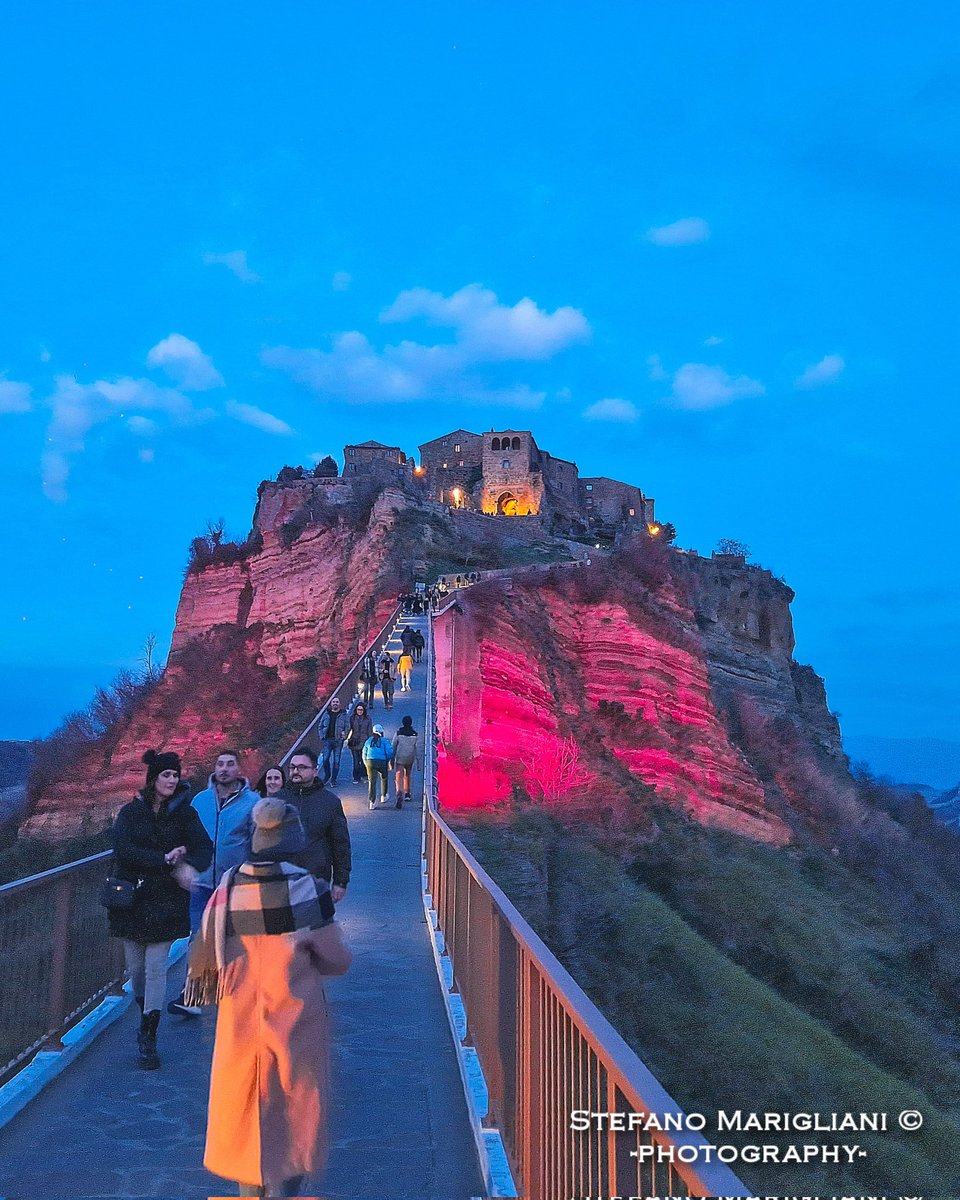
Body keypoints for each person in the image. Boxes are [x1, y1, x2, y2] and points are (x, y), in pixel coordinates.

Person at [187, 798, 351, 1197]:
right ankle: (287, 1188)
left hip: (239, 1019)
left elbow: (207, 951)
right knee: (294, 1112)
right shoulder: (307, 889)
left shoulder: (225, 890)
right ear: (292, 840)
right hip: (296, 1016)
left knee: (245, 1110)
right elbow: (335, 960)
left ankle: (249, 1190)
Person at [108, 749, 212, 1069]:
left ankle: (148, 1035)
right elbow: (123, 850)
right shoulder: (130, 812)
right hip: (132, 900)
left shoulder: (185, 814)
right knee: (136, 972)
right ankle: (144, 1013)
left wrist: (186, 859)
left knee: (156, 968)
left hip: (166, 901)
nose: (171, 780)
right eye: (166, 774)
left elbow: (204, 849)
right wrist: (164, 859)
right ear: (153, 778)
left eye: (175, 774)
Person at [168, 749, 260, 1017]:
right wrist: (183, 863)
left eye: (230, 764)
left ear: (238, 769)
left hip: (235, 885)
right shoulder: (200, 801)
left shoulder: (253, 803)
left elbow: (257, 845)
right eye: (220, 764)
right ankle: (192, 997)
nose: (224, 769)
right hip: (202, 883)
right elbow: (186, 836)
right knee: (198, 938)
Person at [280, 747, 351, 903]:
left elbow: (341, 845)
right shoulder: (277, 800)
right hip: (281, 882)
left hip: (316, 881)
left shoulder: (329, 802)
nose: (295, 771)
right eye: (292, 767)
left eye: (302, 767)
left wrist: (340, 881)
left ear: (315, 771)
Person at [317, 697, 350, 786]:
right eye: (334, 702)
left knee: (336, 761)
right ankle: (327, 775)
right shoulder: (326, 714)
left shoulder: (343, 714)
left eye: (337, 702)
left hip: (338, 741)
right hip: (327, 740)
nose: (335, 703)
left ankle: (333, 779)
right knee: (325, 759)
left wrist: (344, 736)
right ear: (331, 703)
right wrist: (322, 736)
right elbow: (320, 726)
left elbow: (347, 726)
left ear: (339, 703)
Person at [362, 725, 393, 810]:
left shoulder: (368, 741)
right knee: (384, 777)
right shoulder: (384, 741)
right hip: (381, 761)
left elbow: (364, 752)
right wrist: (387, 760)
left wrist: (366, 763)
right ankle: (384, 795)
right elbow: (389, 751)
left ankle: (372, 802)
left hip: (370, 761)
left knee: (372, 781)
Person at [392, 716, 418, 806]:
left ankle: (399, 792)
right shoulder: (414, 734)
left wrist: (391, 759)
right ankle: (407, 793)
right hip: (410, 757)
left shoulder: (399, 733)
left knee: (399, 775)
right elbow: (417, 748)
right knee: (408, 774)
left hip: (400, 757)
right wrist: (418, 763)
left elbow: (394, 746)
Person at [346, 701, 373, 783]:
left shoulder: (368, 719)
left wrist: (371, 741)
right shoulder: (352, 718)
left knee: (364, 760)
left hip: (364, 742)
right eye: (358, 710)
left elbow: (370, 731)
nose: (360, 711)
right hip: (354, 742)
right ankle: (356, 777)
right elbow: (349, 728)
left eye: (361, 710)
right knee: (356, 761)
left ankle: (364, 775)